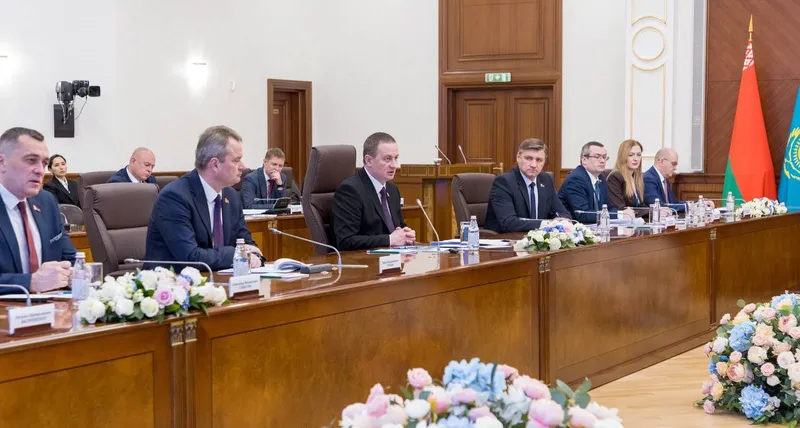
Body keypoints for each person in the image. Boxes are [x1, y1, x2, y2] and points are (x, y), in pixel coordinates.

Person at [145, 126, 262, 271]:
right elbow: (191, 257)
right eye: (236, 160)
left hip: (221, 279)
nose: (242, 167)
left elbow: (247, 243)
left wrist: (254, 255)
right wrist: (237, 253)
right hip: (174, 281)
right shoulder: (174, 198)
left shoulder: (230, 196)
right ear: (215, 164)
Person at [0, 127, 76, 294]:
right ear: (2, 162)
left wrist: (76, 273)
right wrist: (30, 282)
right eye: (31, 160)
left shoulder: (46, 201)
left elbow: (71, 258)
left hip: (52, 305)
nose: (40, 170)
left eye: (44, 163)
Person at [332, 132, 415, 251]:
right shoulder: (350, 191)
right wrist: (389, 239)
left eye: (396, 158)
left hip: (393, 258)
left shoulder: (392, 190)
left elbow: (398, 227)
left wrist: (406, 234)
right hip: (364, 261)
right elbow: (346, 241)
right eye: (387, 159)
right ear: (369, 160)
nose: (394, 165)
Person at [484, 138, 571, 232]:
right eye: (528, 158)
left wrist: (561, 220)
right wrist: (547, 224)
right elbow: (508, 222)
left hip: (539, 238)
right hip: (505, 238)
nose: (534, 165)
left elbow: (563, 213)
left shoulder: (546, 180)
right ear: (518, 157)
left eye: (539, 160)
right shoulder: (504, 182)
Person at [559, 141, 635, 223]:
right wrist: (619, 215)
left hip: (596, 227)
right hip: (575, 228)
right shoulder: (575, 180)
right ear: (584, 160)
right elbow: (583, 215)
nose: (602, 161)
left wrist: (618, 213)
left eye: (604, 157)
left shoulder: (601, 178)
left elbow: (610, 207)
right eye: (597, 157)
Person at [644, 148, 714, 213]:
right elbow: (659, 207)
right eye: (673, 164)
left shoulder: (665, 180)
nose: (675, 168)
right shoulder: (648, 179)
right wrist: (692, 206)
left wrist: (699, 203)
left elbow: (674, 203)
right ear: (662, 162)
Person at [606, 140, 648, 218]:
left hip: (635, 221)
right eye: (631, 155)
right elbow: (620, 209)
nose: (636, 159)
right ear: (623, 157)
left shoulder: (636, 177)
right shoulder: (615, 177)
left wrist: (656, 211)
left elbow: (641, 206)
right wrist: (650, 212)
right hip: (622, 223)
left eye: (639, 155)